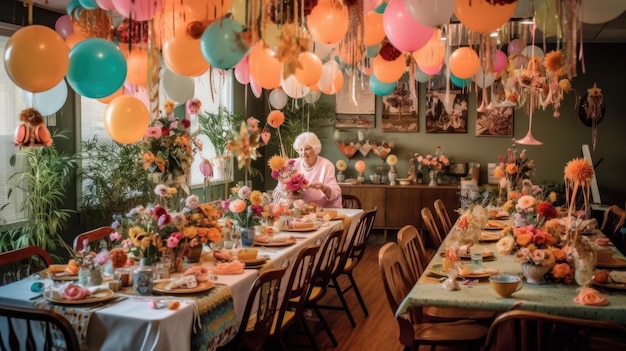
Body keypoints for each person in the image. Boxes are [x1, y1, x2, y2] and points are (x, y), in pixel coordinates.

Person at [275, 132, 342, 208]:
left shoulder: (326, 165)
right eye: (300, 149)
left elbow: (336, 193)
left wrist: (323, 188)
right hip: (300, 210)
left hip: (325, 210)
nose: (303, 153)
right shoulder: (291, 164)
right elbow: (280, 189)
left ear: (315, 149)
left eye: (307, 149)